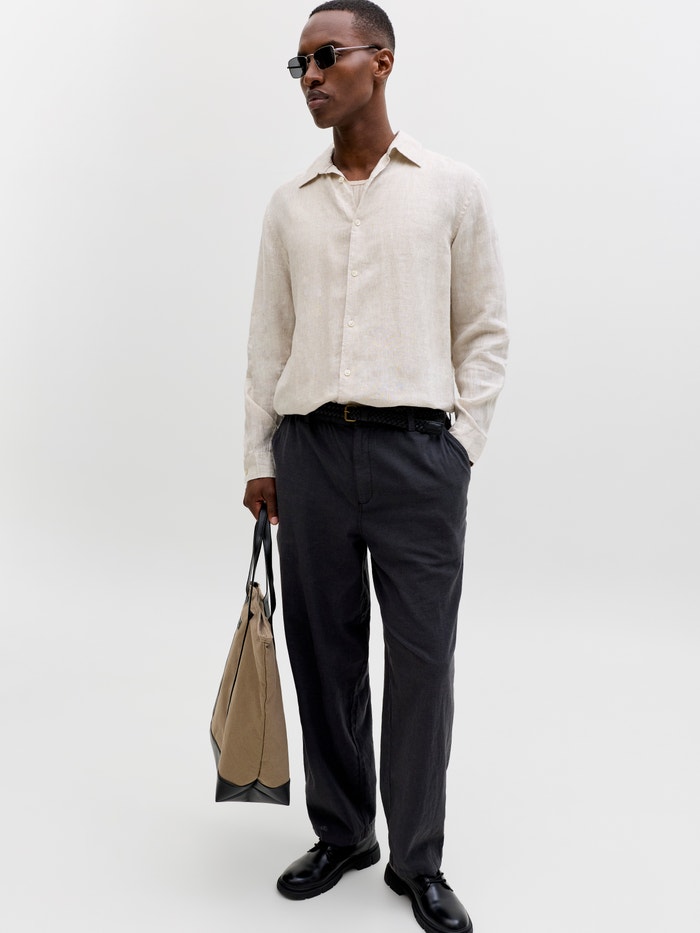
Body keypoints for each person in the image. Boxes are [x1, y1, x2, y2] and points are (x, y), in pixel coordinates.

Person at [243, 2, 507, 930]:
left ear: (381, 62)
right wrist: (260, 457)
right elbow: (267, 340)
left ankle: (418, 858)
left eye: (326, 56)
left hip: (418, 457)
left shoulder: (450, 188)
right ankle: (344, 830)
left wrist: (460, 447)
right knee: (324, 654)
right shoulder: (291, 204)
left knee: (422, 663)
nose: (311, 76)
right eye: (299, 65)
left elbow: (484, 331)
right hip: (310, 453)